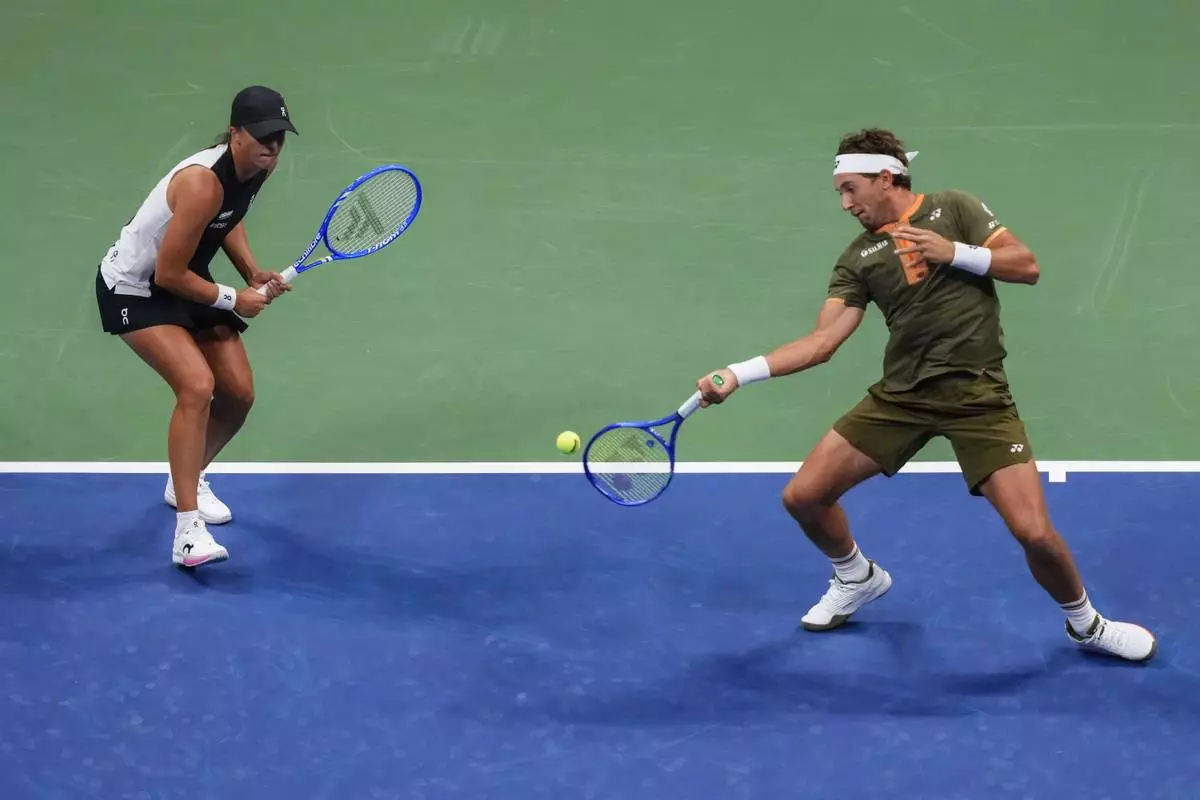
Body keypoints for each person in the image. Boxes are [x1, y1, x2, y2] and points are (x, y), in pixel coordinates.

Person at [694, 127, 1156, 662]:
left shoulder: (953, 208)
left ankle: (1087, 625)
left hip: (978, 398)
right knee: (803, 497)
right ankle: (857, 576)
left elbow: (1026, 266)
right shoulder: (858, 258)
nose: (845, 204)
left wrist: (955, 252)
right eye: (840, 193)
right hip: (902, 399)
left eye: (850, 189)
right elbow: (822, 343)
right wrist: (738, 373)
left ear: (884, 178)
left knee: (1033, 532)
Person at [94, 85, 298, 568]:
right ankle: (187, 532)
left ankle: (184, 477)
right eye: (263, 136)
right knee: (197, 385)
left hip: (186, 276)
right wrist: (234, 298)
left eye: (279, 137)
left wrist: (251, 271)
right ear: (235, 133)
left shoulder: (257, 167)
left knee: (238, 394)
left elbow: (228, 218)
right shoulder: (201, 182)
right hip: (135, 287)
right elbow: (167, 274)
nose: (272, 146)